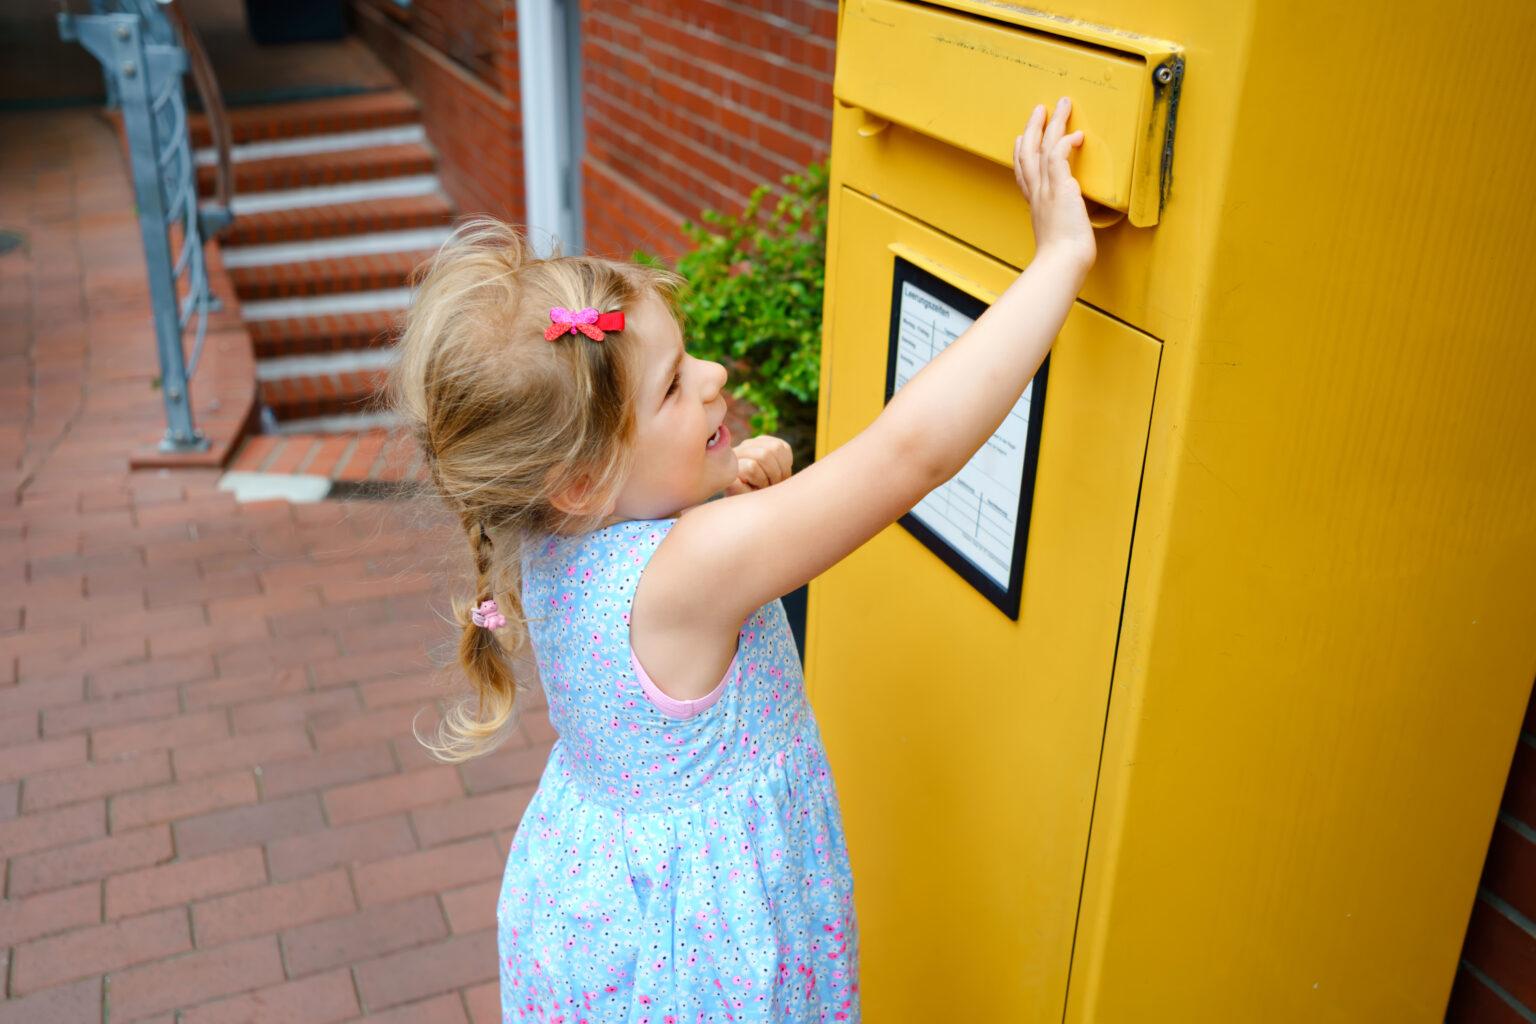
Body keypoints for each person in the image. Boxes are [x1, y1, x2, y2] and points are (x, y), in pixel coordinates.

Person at [387, 96, 1094, 1024]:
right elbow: (909, 454)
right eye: (677, 384)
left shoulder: (550, 541)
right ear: (584, 478)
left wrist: (722, 493)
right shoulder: (694, 566)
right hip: (709, 941)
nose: (716, 377)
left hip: (604, 913)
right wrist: (1059, 261)